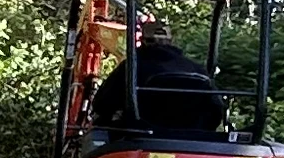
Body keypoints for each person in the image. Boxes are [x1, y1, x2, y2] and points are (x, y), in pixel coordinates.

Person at [91, 18, 230, 140]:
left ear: (143, 41)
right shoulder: (197, 70)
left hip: (140, 139)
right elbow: (216, 110)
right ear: (171, 41)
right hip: (194, 141)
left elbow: (102, 104)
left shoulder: (132, 67)